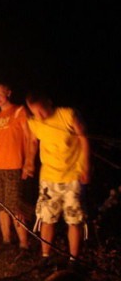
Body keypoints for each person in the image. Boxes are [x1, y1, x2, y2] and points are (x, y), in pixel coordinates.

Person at [24, 91, 91, 262]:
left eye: (41, 111)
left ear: (49, 103)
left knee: (74, 220)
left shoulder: (67, 115)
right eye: (34, 112)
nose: (39, 115)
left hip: (72, 176)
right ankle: (45, 256)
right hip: (49, 177)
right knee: (47, 218)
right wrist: (29, 162)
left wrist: (86, 166)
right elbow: (32, 142)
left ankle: (73, 259)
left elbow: (84, 138)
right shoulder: (34, 123)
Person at [0, 82, 32, 250]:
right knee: (0, 205)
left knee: (15, 206)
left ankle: (24, 243)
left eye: (0, 94)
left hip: (13, 166)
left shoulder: (19, 111)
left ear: (8, 93)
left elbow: (29, 138)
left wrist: (28, 163)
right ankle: (6, 240)